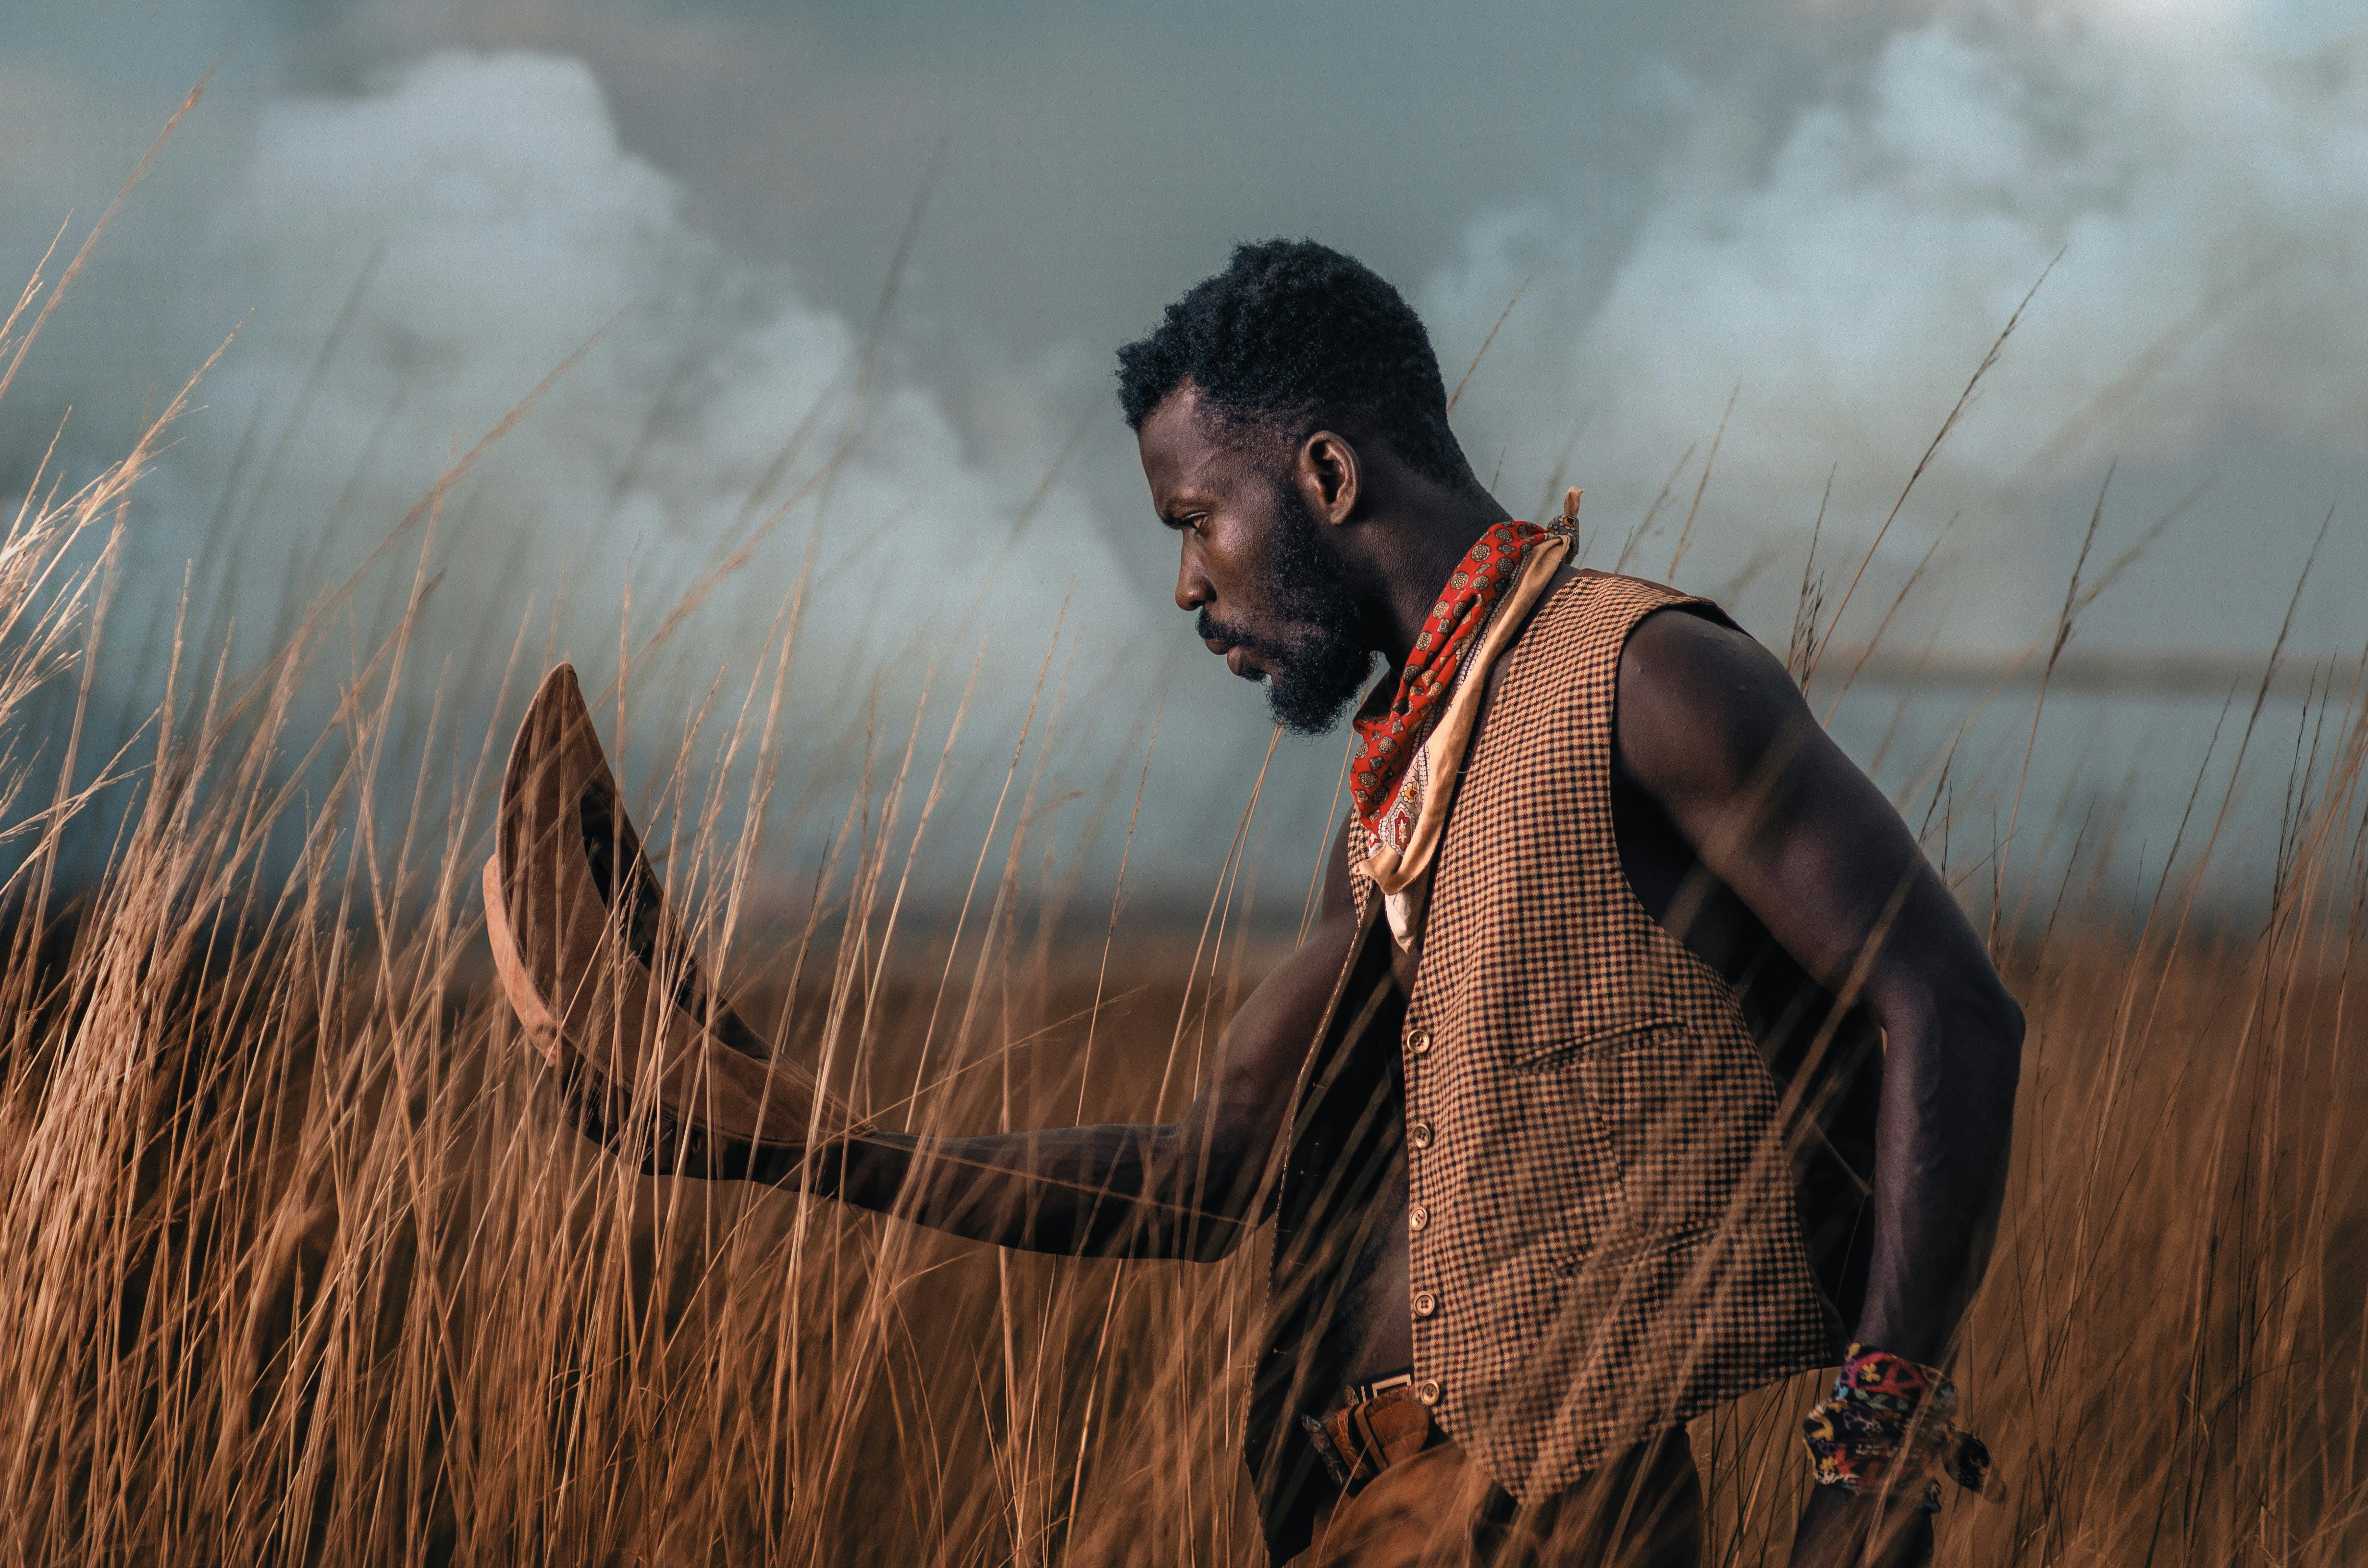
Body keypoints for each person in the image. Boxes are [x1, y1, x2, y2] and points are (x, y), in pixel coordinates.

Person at [594, 240, 2024, 1567]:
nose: (1183, 583)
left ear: (1328, 474)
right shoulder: (1408, 797)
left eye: (1197, 518)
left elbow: (1947, 1004)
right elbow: (1217, 1175)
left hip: (1562, 1519)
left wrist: (1871, 1459)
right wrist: (813, 1146)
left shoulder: (1639, 678)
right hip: (1386, 1516)